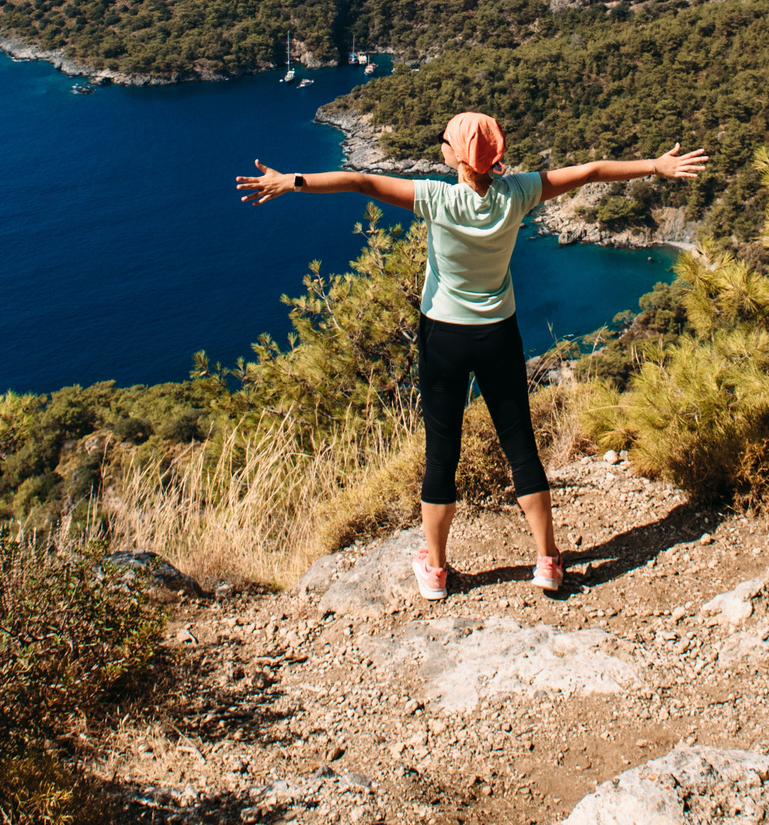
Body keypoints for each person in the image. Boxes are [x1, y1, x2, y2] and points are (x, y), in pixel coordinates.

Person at [237, 112, 706, 599]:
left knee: (441, 455)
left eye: (444, 140)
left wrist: (290, 182)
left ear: (458, 155)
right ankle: (547, 561)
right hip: (499, 335)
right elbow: (589, 170)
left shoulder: (436, 198)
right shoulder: (520, 193)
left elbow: (359, 182)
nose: (440, 144)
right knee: (521, 447)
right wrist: (655, 165)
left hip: (444, 337)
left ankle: (436, 570)